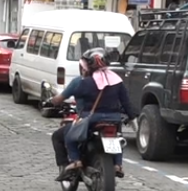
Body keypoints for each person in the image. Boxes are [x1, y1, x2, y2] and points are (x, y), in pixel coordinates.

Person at [49, 48, 135, 181]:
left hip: (91, 119)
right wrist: (132, 117)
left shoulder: (85, 83)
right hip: (114, 119)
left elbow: (66, 97)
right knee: (117, 137)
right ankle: (118, 164)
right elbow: (127, 103)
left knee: (70, 137)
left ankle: (76, 161)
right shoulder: (117, 81)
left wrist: (54, 101)